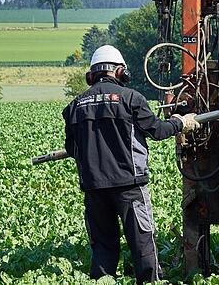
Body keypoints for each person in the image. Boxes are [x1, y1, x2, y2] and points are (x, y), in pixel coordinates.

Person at [63, 45, 198, 283]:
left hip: (94, 190)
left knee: (103, 245)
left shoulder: (75, 106)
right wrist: (180, 122)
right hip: (130, 186)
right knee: (142, 240)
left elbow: (73, 150)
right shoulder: (131, 99)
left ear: (91, 75)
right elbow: (156, 130)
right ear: (121, 72)